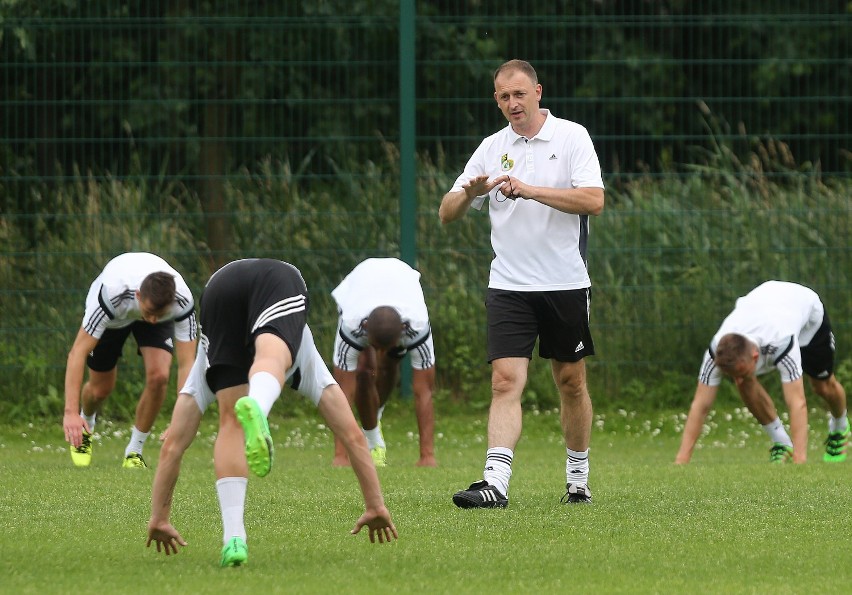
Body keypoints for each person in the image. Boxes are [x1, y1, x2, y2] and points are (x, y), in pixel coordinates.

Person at [146, 258, 397, 567]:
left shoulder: (204, 361)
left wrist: (159, 517)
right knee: (273, 357)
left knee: (231, 423)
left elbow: (172, 445)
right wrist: (374, 505)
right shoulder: (308, 361)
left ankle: (234, 540)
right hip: (278, 277)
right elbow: (353, 436)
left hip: (219, 287)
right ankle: (258, 407)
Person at [438, 59, 605, 507]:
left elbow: (594, 200)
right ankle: (494, 483)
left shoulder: (572, 137)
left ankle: (578, 478)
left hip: (564, 282)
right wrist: (470, 193)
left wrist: (531, 190)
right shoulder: (492, 147)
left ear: (538, 92)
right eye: (503, 96)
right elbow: (446, 211)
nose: (512, 103)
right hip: (509, 285)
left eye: (519, 94)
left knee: (570, 382)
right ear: (496, 100)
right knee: (504, 381)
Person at [675, 280, 849, 464]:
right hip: (766, 305)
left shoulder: (781, 342)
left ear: (755, 356)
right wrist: (681, 461)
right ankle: (782, 442)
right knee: (745, 383)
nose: (738, 381)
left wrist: (800, 462)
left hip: (805, 314)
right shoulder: (717, 350)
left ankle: (840, 426)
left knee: (822, 386)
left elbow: (797, 402)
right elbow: (700, 405)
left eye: (742, 372)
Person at [62, 252, 198, 468]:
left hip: (155, 303)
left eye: (159, 315)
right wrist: (70, 413)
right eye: (150, 313)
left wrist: (181, 418)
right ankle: (86, 422)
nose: (153, 321)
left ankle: (134, 451)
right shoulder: (110, 296)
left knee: (159, 376)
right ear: (137, 295)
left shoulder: (180, 302)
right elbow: (76, 353)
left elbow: (187, 363)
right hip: (114, 320)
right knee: (100, 389)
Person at [329, 258, 437, 468]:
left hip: (403, 278)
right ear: (366, 329)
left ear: (402, 332)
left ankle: (374, 421)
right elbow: (343, 391)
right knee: (364, 370)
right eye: (376, 345)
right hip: (359, 284)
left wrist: (428, 457)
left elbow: (424, 391)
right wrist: (339, 457)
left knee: (387, 365)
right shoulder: (352, 323)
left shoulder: (417, 325)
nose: (380, 352)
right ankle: (357, 445)